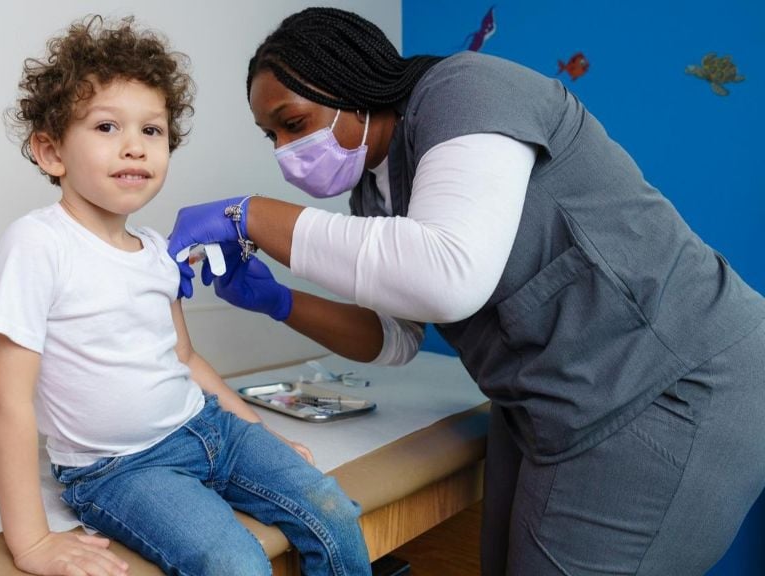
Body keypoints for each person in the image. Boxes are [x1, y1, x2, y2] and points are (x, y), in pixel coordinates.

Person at [166, 7, 765, 576]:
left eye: (292, 125)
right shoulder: (374, 194)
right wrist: (279, 301)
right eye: (271, 136)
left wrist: (251, 215)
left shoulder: (466, 91)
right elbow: (396, 337)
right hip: (553, 401)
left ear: (351, 84)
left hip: (670, 384)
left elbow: (447, 275)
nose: (285, 153)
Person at [0, 15, 371, 576]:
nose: (135, 148)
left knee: (332, 511)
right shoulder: (37, 244)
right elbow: (5, 399)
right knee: (235, 563)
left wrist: (251, 426)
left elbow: (184, 358)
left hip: (208, 427)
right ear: (50, 152)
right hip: (124, 469)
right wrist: (31, 542)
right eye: (107, 127)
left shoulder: (157, 249)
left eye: (152, 131)